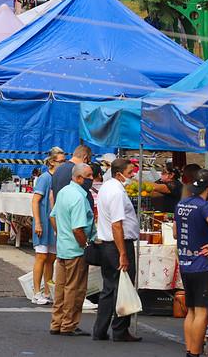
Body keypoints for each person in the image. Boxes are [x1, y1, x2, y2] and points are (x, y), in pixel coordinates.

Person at [93, 158, 142, 342]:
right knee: (123, 286)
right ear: (119, 173)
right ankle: (120, 330)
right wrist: (122, 253)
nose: (132, 176)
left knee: (109, 288)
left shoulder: (107, 187)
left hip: (108, 244)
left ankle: (100, 329)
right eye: (130, 172)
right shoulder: (116, 192)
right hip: (117, 245)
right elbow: (117, 225)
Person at [176, 169, 208, 357]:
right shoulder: (204, 206)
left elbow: (174, 233)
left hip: (185, 262)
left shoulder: (181, 204)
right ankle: (195, 353)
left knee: (191, 310)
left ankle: (189, 349)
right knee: (202, 312)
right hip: (203, 264)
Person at [49, 163, 94, 336]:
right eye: (89, 176)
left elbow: (53, 216)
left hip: (63, 247)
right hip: (76, 249)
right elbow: (78, 229)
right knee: (75, 289)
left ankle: (56, 322)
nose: (92, 179)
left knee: (61, 286)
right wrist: (85, 244)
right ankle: (68, 324)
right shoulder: (78, 198)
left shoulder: (64, 192)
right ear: (79, 178)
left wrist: (61, 233)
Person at [30, 147, 65, 305]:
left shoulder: (60, 178)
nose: (63, 164)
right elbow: (35, 200)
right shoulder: (45, 178)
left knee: (51, 258)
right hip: (44, 222)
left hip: (55, 224)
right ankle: (36, 292)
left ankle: (47, 290)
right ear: (52, 162)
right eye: (61, 161)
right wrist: (37, 222)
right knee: (41, 257)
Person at [51, 145, 93, 210]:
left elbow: (51, 196)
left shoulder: (57, 170)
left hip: (61, 215)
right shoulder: (78, 172)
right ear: (85, 158)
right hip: (76, 215)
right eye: (88, 162)